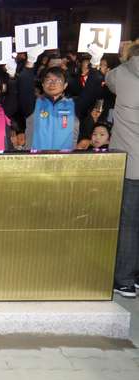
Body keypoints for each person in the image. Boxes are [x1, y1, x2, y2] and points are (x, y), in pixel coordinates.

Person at [19, 47, 104, 151]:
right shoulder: (33, 105)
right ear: (42, 84)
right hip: (35, 162)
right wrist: (30, 61)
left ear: (65, 85)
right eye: (49, 80)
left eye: (58, 81)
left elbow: (90, 91)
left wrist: (95, 64)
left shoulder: (74, 105)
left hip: (65, 162)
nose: (53, 83)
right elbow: (24, 86)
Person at [106, 43, 139, 297]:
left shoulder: (123, 74)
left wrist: (123, 58)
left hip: (130, 165)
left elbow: (108, 78)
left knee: (128, 223)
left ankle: (125, 279)